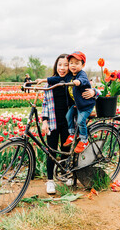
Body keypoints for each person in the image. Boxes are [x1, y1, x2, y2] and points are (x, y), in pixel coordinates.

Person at [45, 51, 97, 154]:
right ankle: (72, 134)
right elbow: (58, 79)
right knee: (68, 116)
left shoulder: (79, 75)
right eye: (71, 63)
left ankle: (84, 140)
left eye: (66, 65)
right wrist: (44, 80)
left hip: (83, 107)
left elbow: (84, 80)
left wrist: (93, 91)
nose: (63, 68)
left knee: (80, 122)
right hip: (58, 118)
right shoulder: (66, 79)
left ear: (82, 65)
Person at [41, 53, 71, 194]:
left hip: (68, 121)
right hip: (53, 120)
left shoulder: (72, 82)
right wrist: (44, 121)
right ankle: (50, 181)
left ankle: (65, 174)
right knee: (51, 150)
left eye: (66, 65)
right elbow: (45, 103)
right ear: (56, 66)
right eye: (60, 65)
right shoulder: (50, 84)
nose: (63, 68)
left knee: (66, 149)